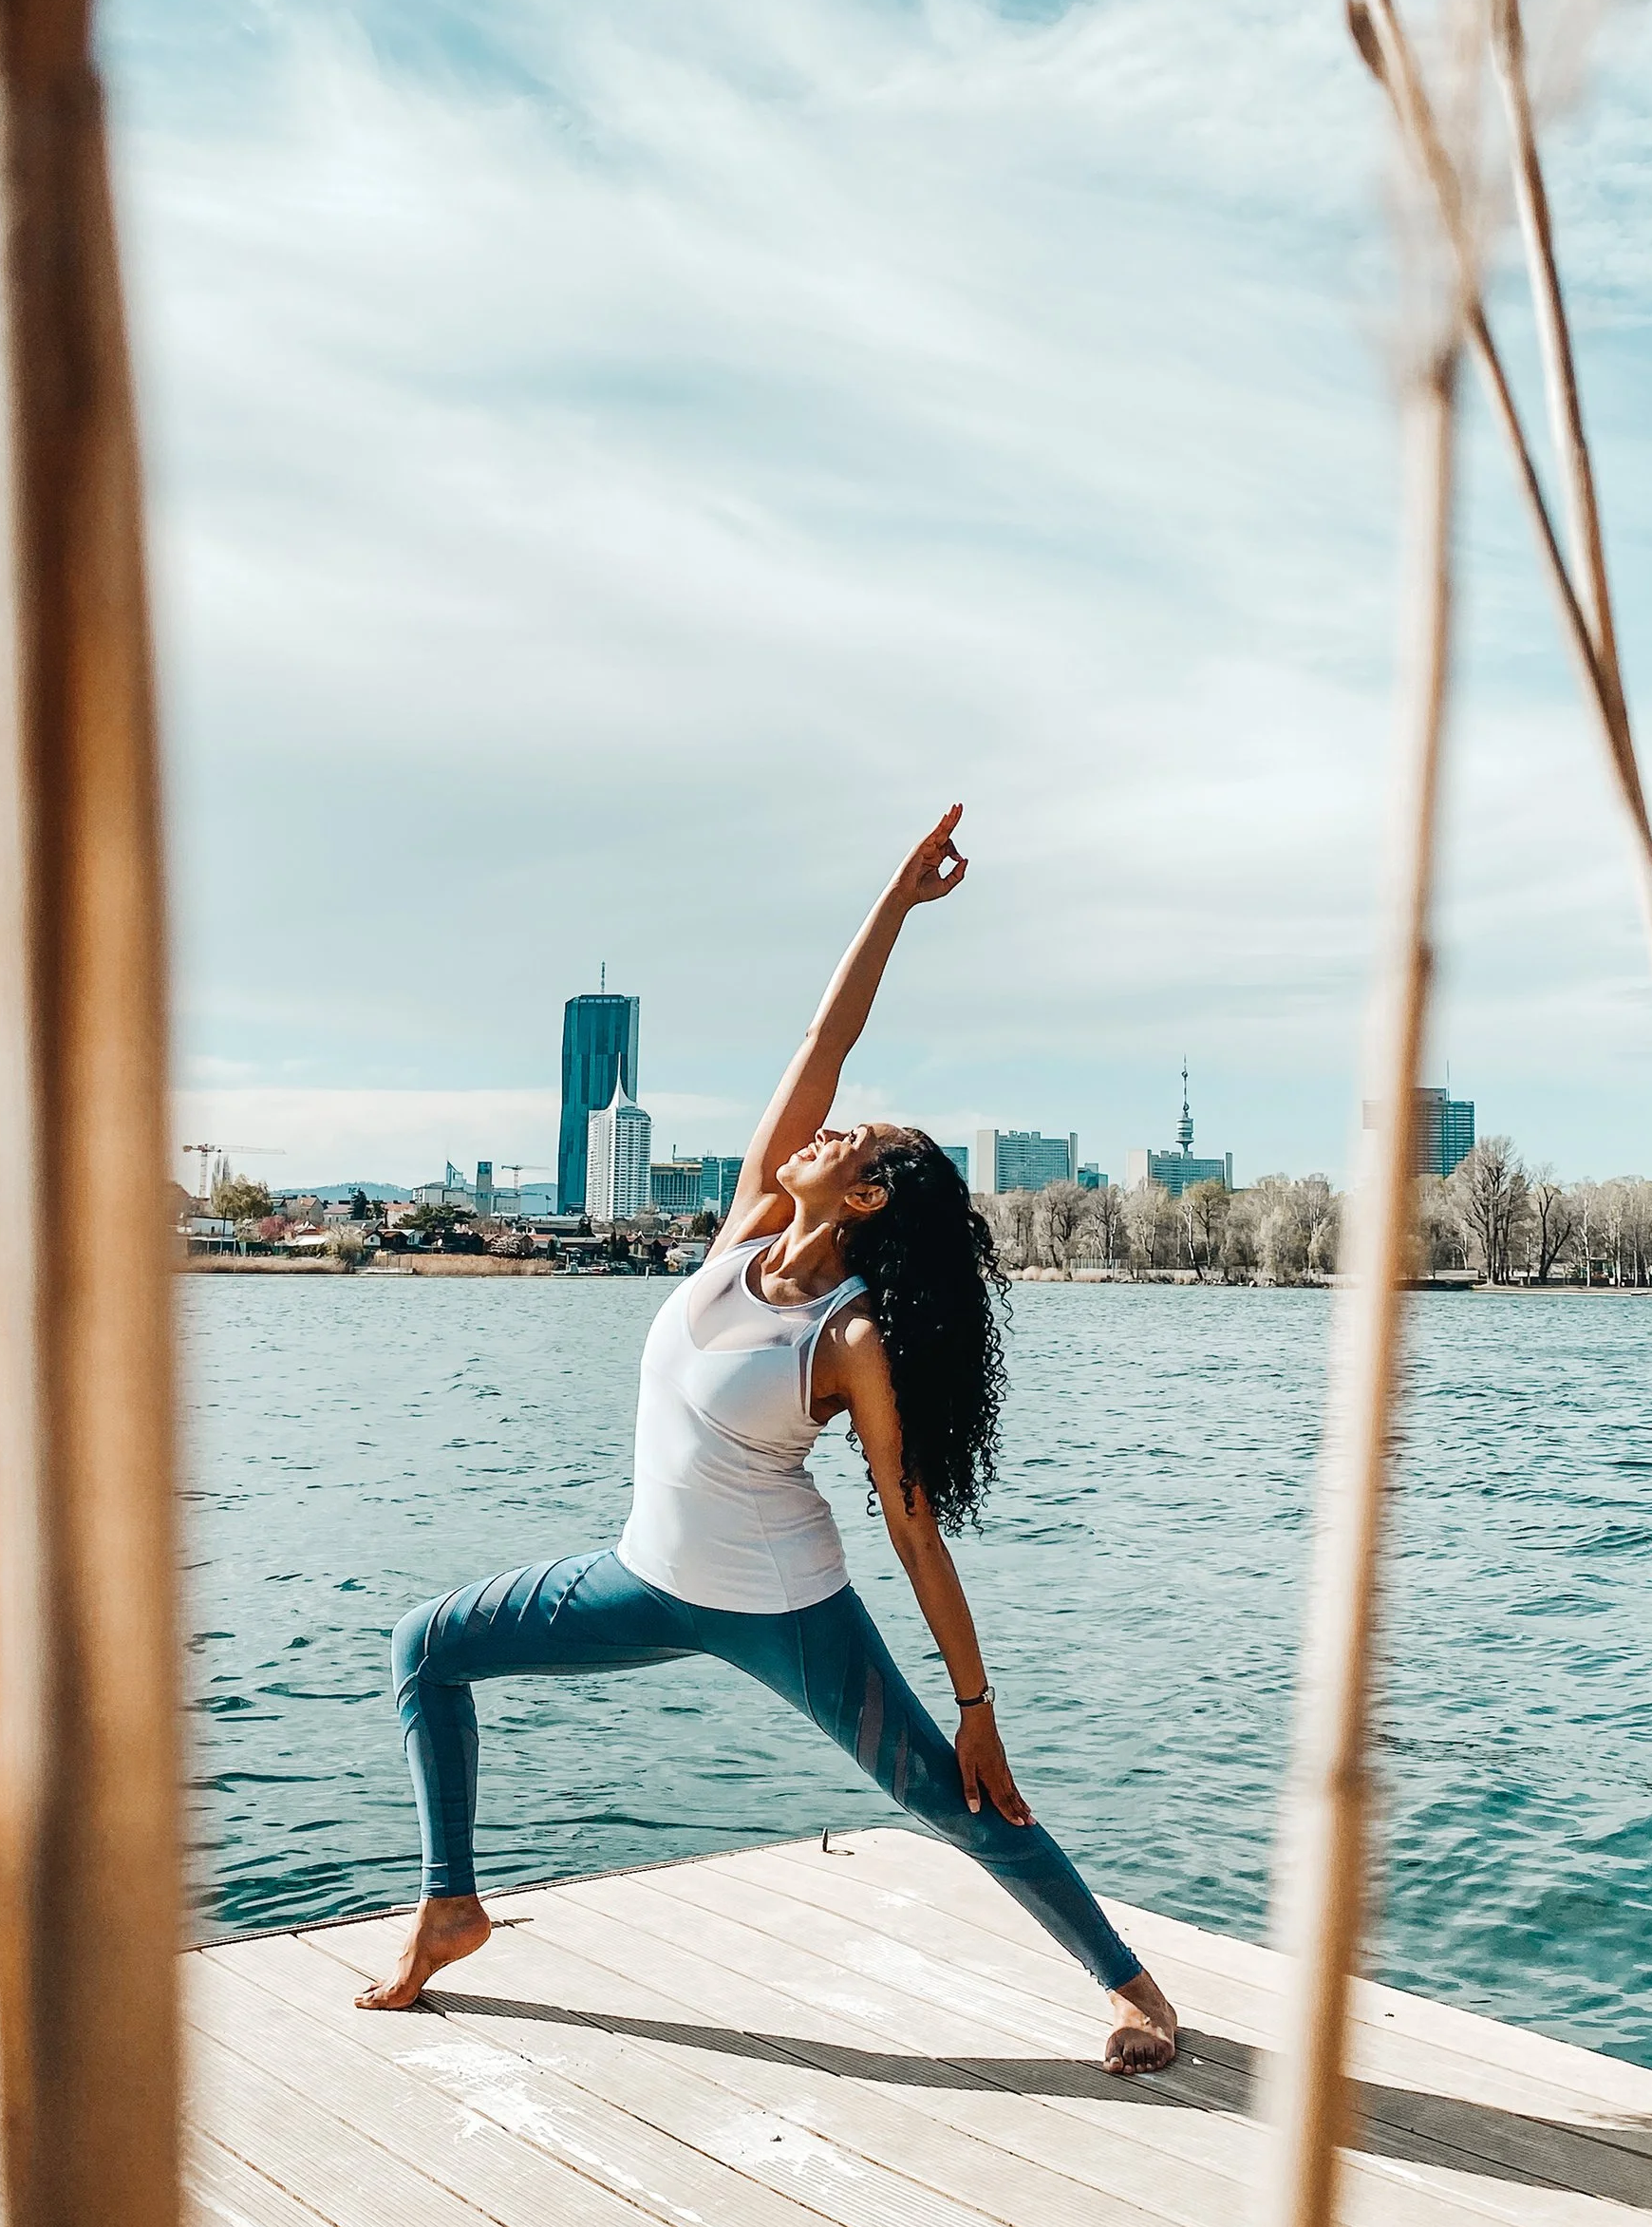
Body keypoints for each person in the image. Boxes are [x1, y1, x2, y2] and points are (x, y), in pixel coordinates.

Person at [357, 807, 1178, 2072]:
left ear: (864, 1202)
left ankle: (1136, 1991)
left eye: (849, 1141)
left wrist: (976, 1706)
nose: (821, 1128)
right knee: (428, 1648)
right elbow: (825, 1037)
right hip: (640, 1577)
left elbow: (913, 1528)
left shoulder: (849, 1343)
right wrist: (896, 903)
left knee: (945, 1798)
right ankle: (451, 1905)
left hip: (783, 1605)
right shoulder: (744, 1228)